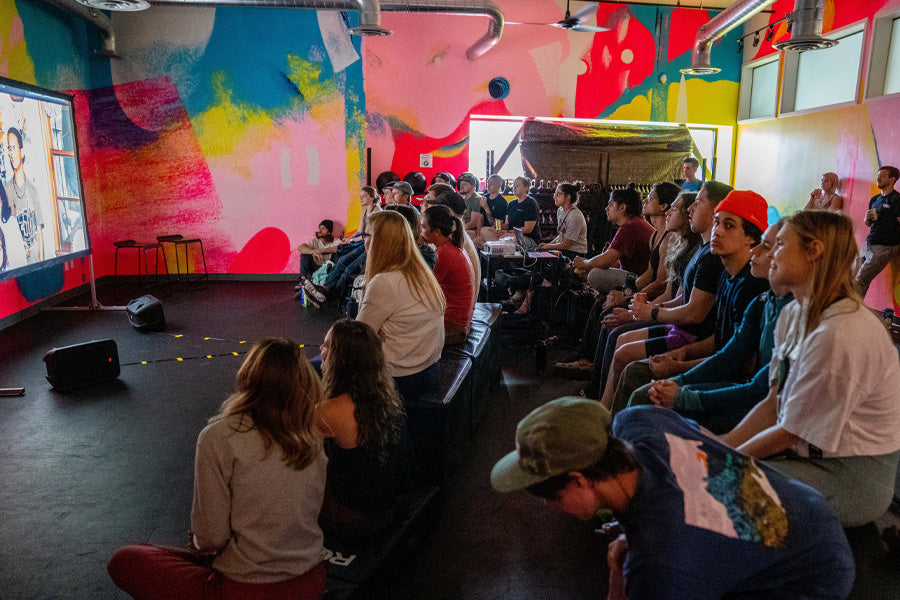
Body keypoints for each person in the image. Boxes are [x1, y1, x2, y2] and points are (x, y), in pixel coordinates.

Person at [491, 398, 855, 600]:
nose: (552, 509)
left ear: (579, 480)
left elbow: (672, 532)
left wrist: (618, 577)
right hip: (806, 505)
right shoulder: (639, 420)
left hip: (812, 575)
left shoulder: (660, 563)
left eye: (551, 499)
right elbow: (716, 453)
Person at [108, 338, 328, 600]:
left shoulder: (219, 436)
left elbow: (210, 539)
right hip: (311, 581)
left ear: (249, 376)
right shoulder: (311, 432)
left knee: (126, 560)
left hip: (247, 590)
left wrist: (201, 543)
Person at [722, 210, 900, 527]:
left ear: (813, 250)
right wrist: (721, 446)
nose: (767, 254)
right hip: (807, 453)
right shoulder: (792, 315)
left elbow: (790, 430)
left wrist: (724, 462)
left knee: (721, 490)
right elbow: (773, 404)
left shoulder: (842, 332)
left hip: (852, 477)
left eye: (779, 245)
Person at [609, 189, 769, 411]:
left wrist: (679, 370)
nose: (718, 231)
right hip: (702, 354)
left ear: (751, 237)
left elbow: (738, 363)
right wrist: (683, 355)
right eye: (717, 222)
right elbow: (722, 341)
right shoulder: (726, 274)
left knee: (638, 383)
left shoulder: (752, 286)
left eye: (729, 225)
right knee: (624, 349)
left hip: (732, 382)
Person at [632, 220, 794, 434]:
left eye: (772, 246)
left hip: (763, 404)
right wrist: (678, 381)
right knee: (646, 393)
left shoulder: (788, 309)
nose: (756, 252)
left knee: (649, 401)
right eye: (716, 223)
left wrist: (682, 393)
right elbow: (729, 352)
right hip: (747, 390)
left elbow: (756, 385)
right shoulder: (763, 300)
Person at [553, 183, 679, 377]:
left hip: (652, 296)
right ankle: (586, 357)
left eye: (651, 197)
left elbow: (661, 283)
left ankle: (591, 365)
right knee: (599, 302)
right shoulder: (655, 234)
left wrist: (627, 296)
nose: (646, 199)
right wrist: (624, 292)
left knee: (600, 289)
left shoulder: (640, 228)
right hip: (641, 287)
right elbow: (648, 274)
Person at [317, 319, 411, 536]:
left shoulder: (329, 412)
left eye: (326, 347)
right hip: (391, 506)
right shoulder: (387, 397)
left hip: (356, 519)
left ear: (341, 360)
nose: (321, 351)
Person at [357, 210, 445, 405]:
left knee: (315, 369)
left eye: (367, 235)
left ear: (381, 241)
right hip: (429, 368)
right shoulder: (419, 269)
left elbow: (358, 338)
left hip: (402, 378)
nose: (364, 240)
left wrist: (371, 333)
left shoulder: (385, 281)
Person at [574, 186, 655, 297]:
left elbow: (606, 259)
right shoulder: (635, 223)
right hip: (637, 275)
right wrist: (592, 264)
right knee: (595, 270)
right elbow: (616, 262)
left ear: (622, 207)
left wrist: (584, 263)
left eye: (611, 204)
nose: (606, 208)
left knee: (595, 275)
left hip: (641, 280)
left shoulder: (629, 226)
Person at [422, 205, 475, 344]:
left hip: (454, 327)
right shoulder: (452, 246)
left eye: (423, 227)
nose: (420, 231)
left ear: (437, 231)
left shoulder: (444, 253)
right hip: (460, 322)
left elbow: (426, 289)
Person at [855, 165, 900, 298]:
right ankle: (855, 311)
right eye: (878, 175)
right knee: (856, 278)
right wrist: (867, 218)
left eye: (883, 176)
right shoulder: (874, 199)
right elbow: (868, 223)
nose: (878, 178)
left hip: (885, 247)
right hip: (869, 244)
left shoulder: (896, 199)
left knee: (860, 279)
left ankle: (850, 312)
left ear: (892, 179)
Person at [4, 127, 43, 264]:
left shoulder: (33, 190)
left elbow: (39, 233)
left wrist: (43, 264)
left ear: (22, 152)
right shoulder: (5, 191)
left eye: (14, 147)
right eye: (9, 148)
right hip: (18, 264)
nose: (11, 153)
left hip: (36, 262)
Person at [537, 182, 587, 258]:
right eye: (555, 194)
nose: (554, 197)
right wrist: (547, 245)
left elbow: (566, 245)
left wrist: (548, 247)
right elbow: (561, 236)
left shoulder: (574, 216)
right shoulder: (560, 210)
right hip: (564, 250)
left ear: (568, 197)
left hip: (575, 253)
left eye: (558, 194)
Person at [499, 176, 542, 249]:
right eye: (513, 186)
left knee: (508, 239)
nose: (514, 188)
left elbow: (528, 229)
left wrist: (509, 233)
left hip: (528, 238)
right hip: (510, 234)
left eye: (518, 186)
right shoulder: (511, 204)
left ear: (526, 188)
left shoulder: (531, 203)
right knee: (486, 231)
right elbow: (507, 224)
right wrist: (499, 227)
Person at [296, 219, 340, 284]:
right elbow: (301, 248)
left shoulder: (335, 241)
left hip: (329, 269)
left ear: (329, 232)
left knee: (339, 253)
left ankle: (334, 281)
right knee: (305, 254)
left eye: (323, 228)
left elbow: (341, 247)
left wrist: (322, 250)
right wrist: (314, 252)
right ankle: (302, 280)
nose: (320, 230)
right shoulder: (314, 241)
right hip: (315, 267)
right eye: (319, 228)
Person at [457, 172, 483, 237]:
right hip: (465, 229)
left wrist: (458, 229)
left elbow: (473, 223)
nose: (461, 187)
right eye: (460, 184)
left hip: (473, 231)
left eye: (464, 184)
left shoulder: (476, 199)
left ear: (473, 186)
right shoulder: (464, 199)